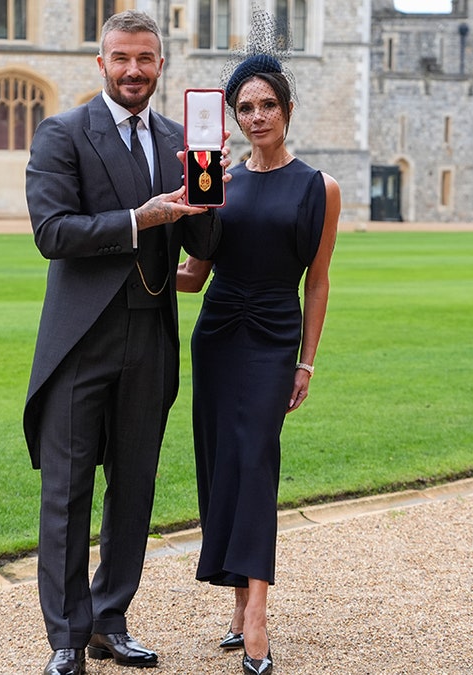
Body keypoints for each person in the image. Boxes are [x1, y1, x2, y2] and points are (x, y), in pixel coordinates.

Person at [23, 10, 226, 675]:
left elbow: (203, 245)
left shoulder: (178, 137)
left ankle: (109, 621)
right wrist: (142, 218)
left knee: (134, 487)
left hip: (151, 336)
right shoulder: (62, 133)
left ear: (161, 65)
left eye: (146, 59)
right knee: (68, 491)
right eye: (122, 58)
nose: (134, 70)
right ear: (101, 63)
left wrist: (213, 184)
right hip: (81, 339)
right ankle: (65, 636)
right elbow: (53, 232)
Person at [177, 52, 340, 675]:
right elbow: (194, 276)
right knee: (223, 464)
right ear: (233, 117)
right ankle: (241, 603)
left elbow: (318, 282)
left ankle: (259, 614)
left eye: (267, 104)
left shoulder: (319, 187)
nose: (256, 116)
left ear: (289, 110)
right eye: (244, 107)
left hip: (274, 335)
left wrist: (307, 363)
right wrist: (145, 238)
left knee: (256, 460)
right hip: (217, 332)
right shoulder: (218, 181)